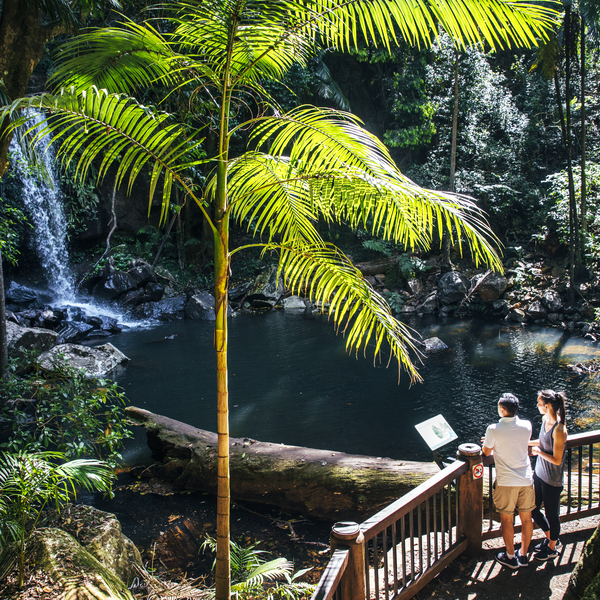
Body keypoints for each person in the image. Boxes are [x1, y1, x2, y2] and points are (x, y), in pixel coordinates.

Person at [482, 393, 535, 569]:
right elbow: (516, 442)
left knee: (507, 520)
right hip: (526, 480)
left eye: (499, 407)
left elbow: (486, 452)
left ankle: (511, 557)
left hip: (506, 482)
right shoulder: (527, 426)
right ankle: (524, 555)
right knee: (527, 519)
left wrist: (490, 443)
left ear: (503, 410)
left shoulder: (493, 429)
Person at [530, 389, 568, 561]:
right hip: (539, 474)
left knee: (552, 514)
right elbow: (542, 443)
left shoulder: (559, 429)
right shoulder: (545, 420)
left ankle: (552, 547)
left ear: (547, 406)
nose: (537, 405)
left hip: (552, 479)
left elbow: (558, 459)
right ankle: (552, 538)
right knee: (533, 508)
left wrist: (539, 453)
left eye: (539, 403)